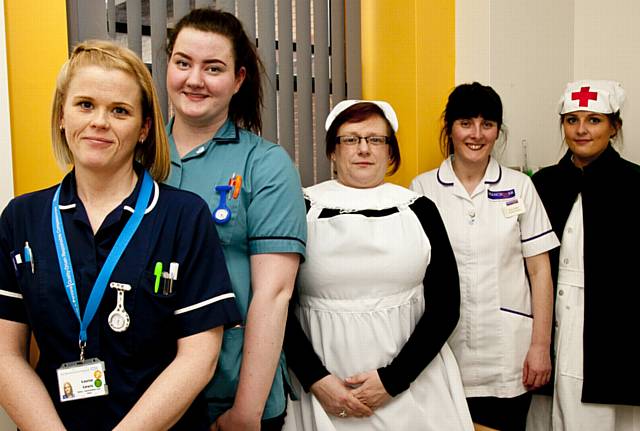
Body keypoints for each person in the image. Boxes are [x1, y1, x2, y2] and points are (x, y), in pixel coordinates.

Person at [0, 40, 240, 431]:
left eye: (120, 111)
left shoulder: (183, 216)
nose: (99, 121)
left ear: (144, 128)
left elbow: (199, 357)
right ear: (62, 115)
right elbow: (5, 354)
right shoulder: (22, 219)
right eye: (85, 105)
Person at [283, 100, 474, 431]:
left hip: (414, 387)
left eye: (375, 139)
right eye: (351, 139)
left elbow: (446, 306)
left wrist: (393, 380)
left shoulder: (420, 209)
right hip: (321, 390)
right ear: (333, 150)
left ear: (390, 152)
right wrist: (316, 379)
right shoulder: (299, 207)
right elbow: (276, 302)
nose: (363, 149)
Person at [164, 8, 307, 431]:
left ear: (238, 79)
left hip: (231, 391)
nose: (195, 79)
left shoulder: (264, 164)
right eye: (183, 63)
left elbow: (274, 293)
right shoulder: (138, 159)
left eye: (214, 68)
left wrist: (246, 412)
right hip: (144, 390)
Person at [410, 82, 559, 431]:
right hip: (443, 352)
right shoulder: (422, 189)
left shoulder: (520, 186)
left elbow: (540, 272)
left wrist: (541, 346)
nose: (476, 134)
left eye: (487, 124)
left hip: (509, 354)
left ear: (498, 131)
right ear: (449, 128)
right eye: (466, 123)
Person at [528, 80, 640, 431]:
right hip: (548, 316)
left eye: (594, 120)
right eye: (572, 119)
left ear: (615, 126)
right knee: (545, 415)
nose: (580, 130)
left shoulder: (635, 184)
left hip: (610, 326)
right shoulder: (543, 183)